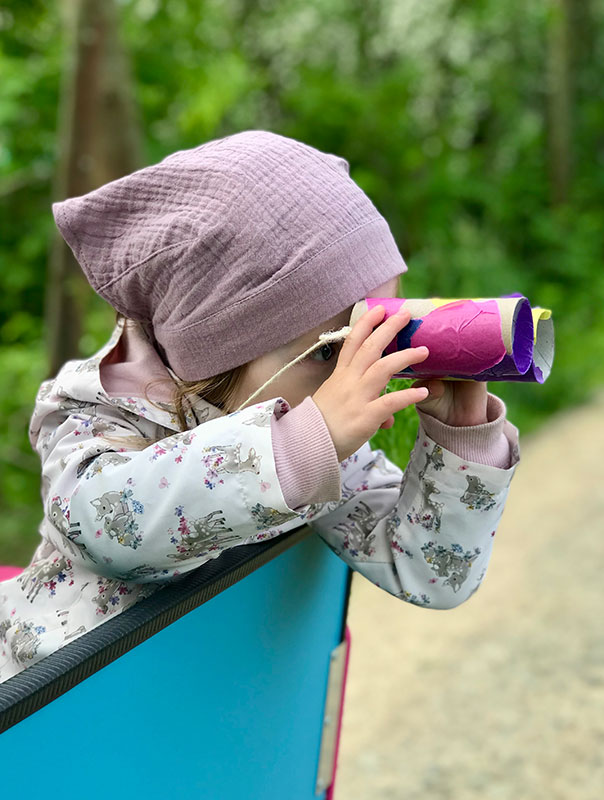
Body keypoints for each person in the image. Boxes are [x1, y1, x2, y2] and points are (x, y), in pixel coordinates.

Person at [0, 131, 519, 683]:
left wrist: (461, 440)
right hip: (52, 722)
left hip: (211, 731)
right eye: (329, 353)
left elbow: (431, 572)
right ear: (213, 360)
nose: (354, 377)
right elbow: (107, 530)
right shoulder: (96, 418)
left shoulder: (320, 446)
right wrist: (298, 448)